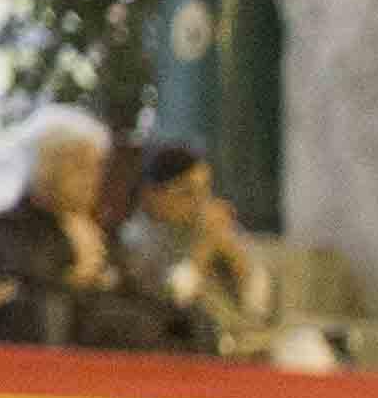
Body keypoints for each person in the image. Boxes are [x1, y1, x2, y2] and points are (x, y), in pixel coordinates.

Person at [0, 110, 187, 353]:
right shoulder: (9, 226)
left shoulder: (102, 230)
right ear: (43, 168)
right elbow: (34, 284)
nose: (92, 178)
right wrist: (83, 272)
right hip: (61, 343)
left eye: (96, 167)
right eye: (78, 166)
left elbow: (135, 286)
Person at [120, 145, 281, 356]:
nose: (200, 204)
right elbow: (173, 304)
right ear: (152, 195)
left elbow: (259, 306)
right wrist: (203, 248)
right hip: (187, 350)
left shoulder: (209, 228)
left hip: (244, 342)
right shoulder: (133, 240)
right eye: (187, 193)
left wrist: (235, 256)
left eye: (206, 191)